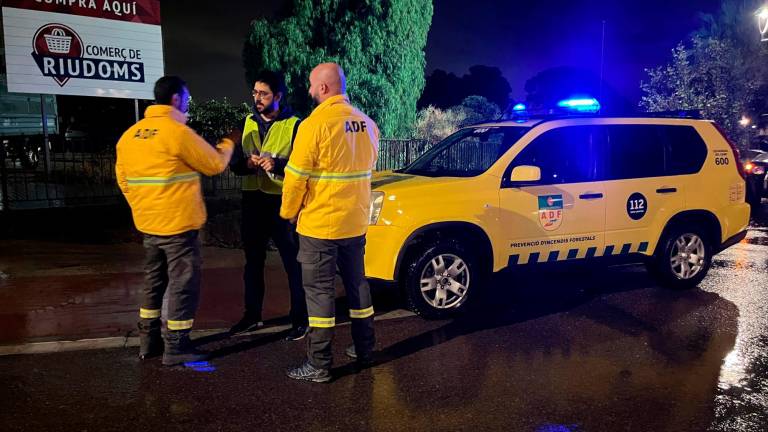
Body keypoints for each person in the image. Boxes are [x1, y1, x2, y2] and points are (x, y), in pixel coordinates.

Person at [115, 76, 237, 366]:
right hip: (179, 226)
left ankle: (148, 342)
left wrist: (142, 207)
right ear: (175, 99)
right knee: (184, 284)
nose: (188, 103)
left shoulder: (130, 135)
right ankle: (177, 346)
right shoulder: (177, 133)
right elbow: (215, 164)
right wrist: (229, 142)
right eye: (187, 98)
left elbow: (123, 180)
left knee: (153, 282)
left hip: (148, 224)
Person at [280, 63, 379, 382]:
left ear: (323, 88)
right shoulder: (367, 124)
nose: (309, 91)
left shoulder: (314, 125)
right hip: (356, 223)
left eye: (311, 85)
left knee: (320, 293)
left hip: (321, 225)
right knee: (358, 285)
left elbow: (295, 180)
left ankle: (319, 364)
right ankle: (365, 348)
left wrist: (287, 213)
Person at [228, 70, 308, 341]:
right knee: (252, 263)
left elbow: (304, 166)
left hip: (282, 204)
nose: (257, 98)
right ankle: (252, 317)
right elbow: (234, 165)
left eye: (263, 93)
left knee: (292, 263)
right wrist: (247, 165)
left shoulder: (296, 125)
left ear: (278, 96)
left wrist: (279, 165)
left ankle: (300, 319)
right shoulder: (246, 122)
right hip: (252, 202)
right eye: (255, 92)